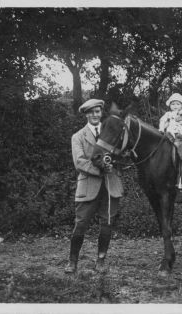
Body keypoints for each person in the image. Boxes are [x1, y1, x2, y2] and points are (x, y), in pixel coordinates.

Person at [65, 98, 124, 274]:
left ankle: (101, 260)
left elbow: (121, 155)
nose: (95, 115)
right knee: (81, 224)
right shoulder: (78, 136)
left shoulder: (112, 133)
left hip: (110, 185)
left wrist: (115, 164)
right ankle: (72, 261)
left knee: (107, 223)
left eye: (97, 111)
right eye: (91, 112)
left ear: (101, 113)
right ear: (86, 115)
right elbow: (80, 162)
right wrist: (101, 170)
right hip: (88, 187)